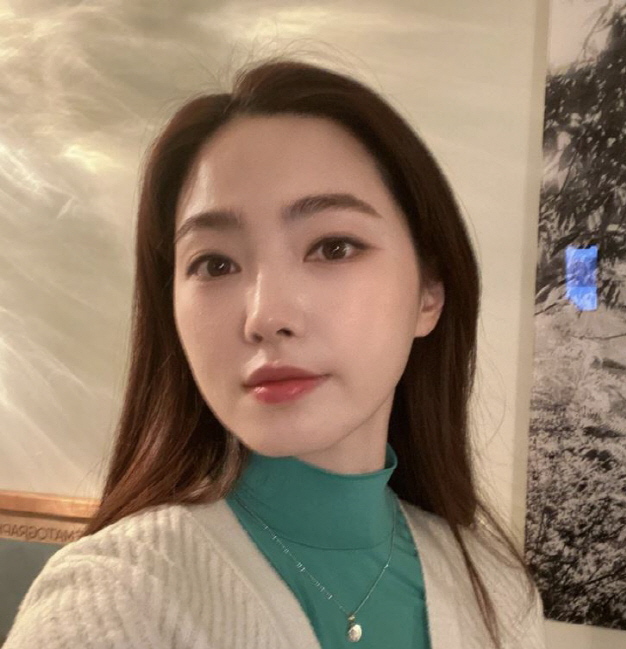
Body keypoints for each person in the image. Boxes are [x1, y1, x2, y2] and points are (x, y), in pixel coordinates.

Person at [4, 56, 547, 649]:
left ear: (429, 294)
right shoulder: (113, 599)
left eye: (333, 247)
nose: (266, 316)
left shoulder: (497, 592)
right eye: (215, 264)